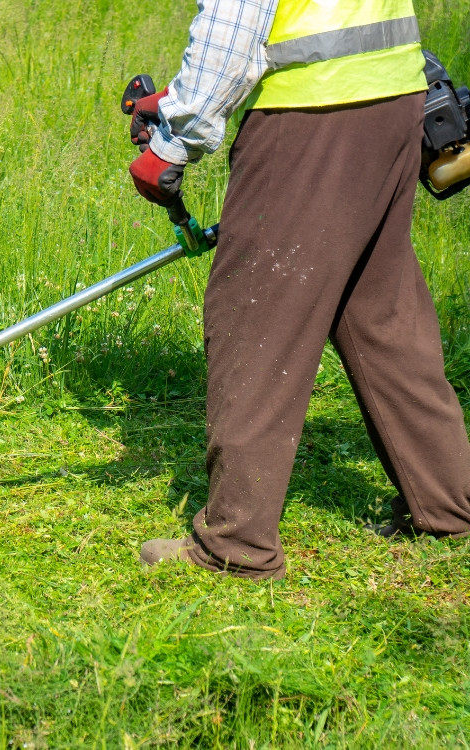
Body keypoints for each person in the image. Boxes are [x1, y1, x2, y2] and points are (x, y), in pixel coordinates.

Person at [128, 0, 470, 579]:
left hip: (312, 111)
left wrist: (173, 139)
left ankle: (236, 543)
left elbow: (232, 26)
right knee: (378, 312)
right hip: (395, 95)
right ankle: (450, 504)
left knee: (256, 318)